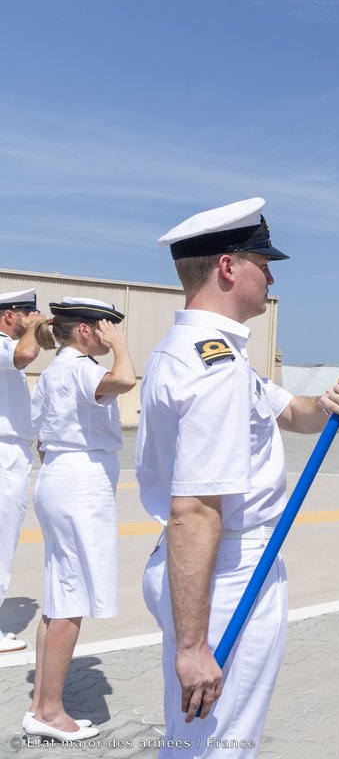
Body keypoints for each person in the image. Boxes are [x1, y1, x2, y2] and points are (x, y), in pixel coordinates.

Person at [136, 198, 339, 757]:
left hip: (219, 568)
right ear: (229, 268)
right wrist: (193, 645)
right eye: (263, 261)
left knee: (199, 740)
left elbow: (289, 412)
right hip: (225, 574)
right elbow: (195, 510)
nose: (272, 274)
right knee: (216, 746)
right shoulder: (212, 369)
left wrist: (324, 402)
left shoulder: (214, 355)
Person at [24, 298, 135, 742]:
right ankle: (50, 711)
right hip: (79, 484)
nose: (111, 334)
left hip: (59, 477)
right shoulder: (80, 367)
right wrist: (122, 347)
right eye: (106, 327)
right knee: (71, 598)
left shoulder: (55, 371)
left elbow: (42, 442)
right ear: (87, 331)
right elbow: (124, 379)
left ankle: (41, 706)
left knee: (60, 593)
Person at [0, 288, 45, 654]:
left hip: (12, 451)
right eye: (26, 313)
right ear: (9, 315)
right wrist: (34, 328)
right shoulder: (4, 347)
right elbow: (26, 352)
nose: (32, 318)